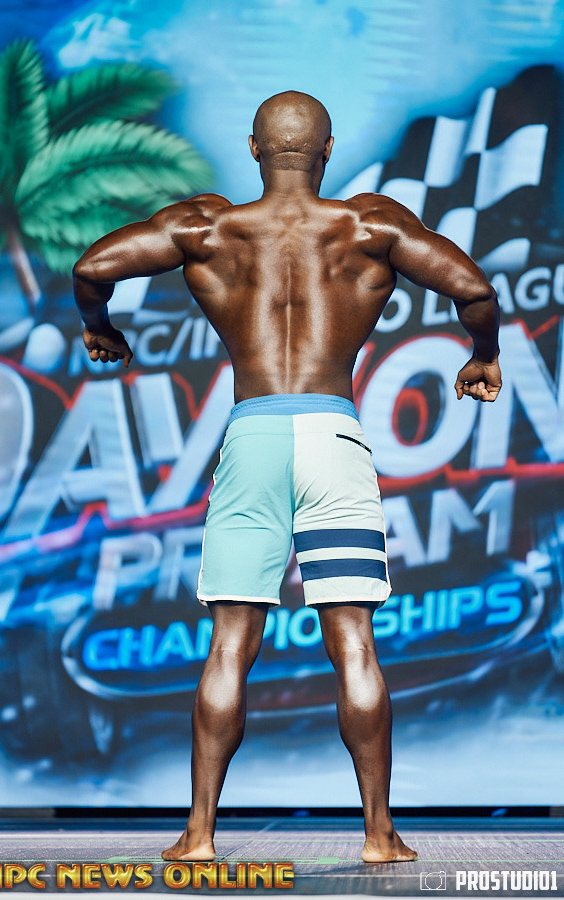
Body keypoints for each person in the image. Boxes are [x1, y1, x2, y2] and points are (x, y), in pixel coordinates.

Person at [73, 90, 501, 864]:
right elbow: (474, 290)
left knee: (229, 645)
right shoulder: (369, 224)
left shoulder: (207, 226)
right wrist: (483, 356)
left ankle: (199, 836)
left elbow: (93, 267)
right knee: (355, 643)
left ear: (253, 148)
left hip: (254, 437)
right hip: (334, 437)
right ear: (327, 151)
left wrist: (101, 329)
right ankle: (380, 837)